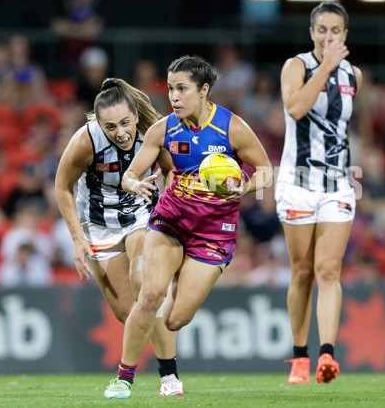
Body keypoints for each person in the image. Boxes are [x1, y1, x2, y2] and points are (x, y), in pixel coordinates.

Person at [102, 55, 273, 399]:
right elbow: (131, 174)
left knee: (177, 318)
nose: (174, 97)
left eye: (182, 89)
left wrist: (244, 187)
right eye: (170, 89)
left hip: (213, 232)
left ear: (204, 90)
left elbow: (267, 170)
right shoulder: (163, 129)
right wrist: (135, 184)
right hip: (171, 220)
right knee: (150, 295)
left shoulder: (232, 128)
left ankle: (178, 284)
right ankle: (123, 379)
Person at [54, 77, 183, 397]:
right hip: (98, 226)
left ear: (137, 116)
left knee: (147, 288)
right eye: (111, 126)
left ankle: (168, 378)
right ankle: (144, 372)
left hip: (141, 214)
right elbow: (62, 186)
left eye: (126, 122)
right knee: (128, 313)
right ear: (99, 123)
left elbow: (172, 171)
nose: (121, 132)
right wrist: (77, 239)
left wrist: (165, 201)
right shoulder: (86, 141)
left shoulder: (153, 132)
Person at [275, 1, 363, 385]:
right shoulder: (296, 66)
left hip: (338, 183)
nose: (329, 36)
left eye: (336, 31)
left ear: (345, 35)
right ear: (312, 33)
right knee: (303, 272)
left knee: (329, 270)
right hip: (297, 182)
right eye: (322, 30)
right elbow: (295, 109)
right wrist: (325, 66)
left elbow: (343, 127)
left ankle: (327, 353)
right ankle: (299, 357)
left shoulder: (354, 74)